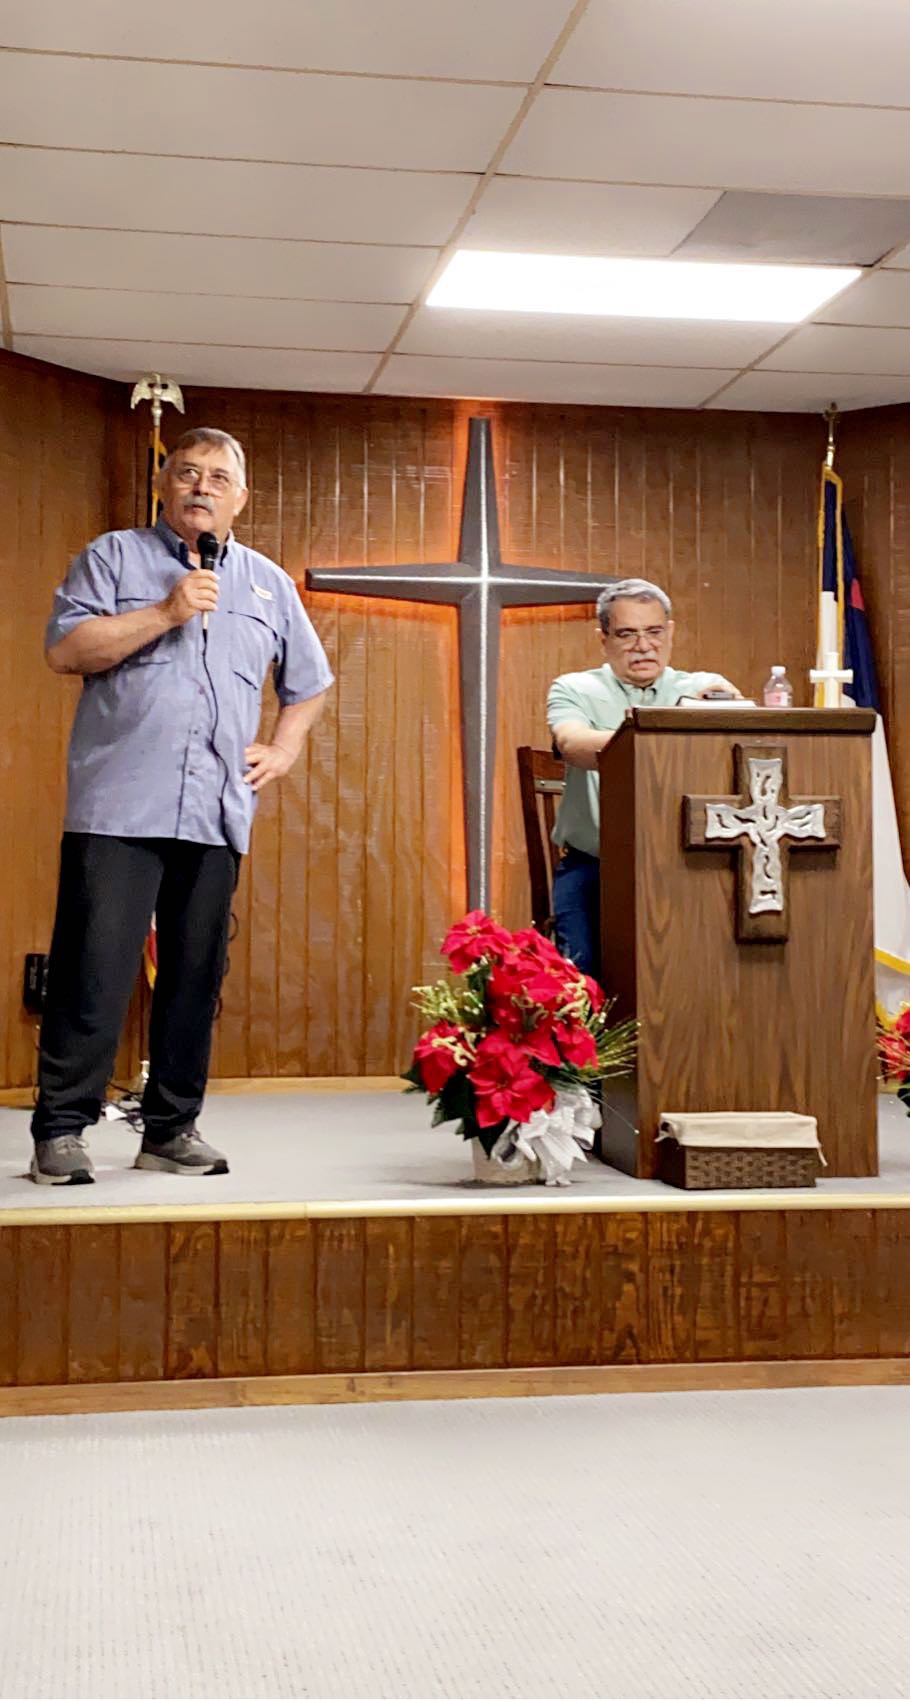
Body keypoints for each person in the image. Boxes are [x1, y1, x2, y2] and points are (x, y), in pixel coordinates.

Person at [30, 427, 333, 1184]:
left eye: (219, 477)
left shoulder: (267, 583)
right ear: (166, 484)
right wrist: (165, 612)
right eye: (189, 473)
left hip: (216, 809)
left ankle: (170, 1128)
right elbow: (67, 651)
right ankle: (61, 1131)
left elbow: (312, 683)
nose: (203, 486)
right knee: (92, 971)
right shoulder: (113, 557)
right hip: (118, 807)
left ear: (241, 496)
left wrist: (286, 747)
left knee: (196, 977)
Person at [546, 577, 740, 978]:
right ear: (603, 639)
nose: (643, 646)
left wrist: (725, 706)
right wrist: (650, 742)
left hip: (686, 867)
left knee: (710, 968)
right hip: (595, 867)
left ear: (670, 633)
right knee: (579, 980)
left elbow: (738, 725)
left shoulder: (701, 687)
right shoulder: (575, 688)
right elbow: (571, 741)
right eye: (627, 634)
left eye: (654, 632)